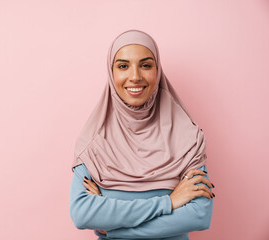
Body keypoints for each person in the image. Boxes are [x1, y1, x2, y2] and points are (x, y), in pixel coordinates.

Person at [69, 29, 214, 240]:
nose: (135, 77)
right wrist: (169, 202)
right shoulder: (93, 141)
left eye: (145, 65)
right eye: (123, 66)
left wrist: (112, 228)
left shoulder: (186, 137)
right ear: (111, 73)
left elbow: (199, 215)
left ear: (158, 70)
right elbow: (82, 214)